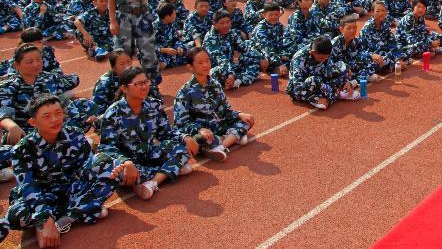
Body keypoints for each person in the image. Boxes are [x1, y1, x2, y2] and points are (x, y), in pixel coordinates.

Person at [4, 94, 122, 245]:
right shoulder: (22, 149)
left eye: (58, 113)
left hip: (71, 190)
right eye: (47, 116)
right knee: (16, 216)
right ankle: (84, 210)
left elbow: (88, 166)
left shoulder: (75, 135)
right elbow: (29, 188)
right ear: (33, 122)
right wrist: (44, 219)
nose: (55, 119)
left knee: (109, 167)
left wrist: (120, 164)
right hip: (43, 196)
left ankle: (66, 220)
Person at [98, 67, 197, 201]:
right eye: (138, 84)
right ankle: (169, 170)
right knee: (114, 171)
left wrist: (185, 137)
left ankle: (152, 182)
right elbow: (106, 149)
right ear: (124, 88)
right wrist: (126, 162)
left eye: (146, 82)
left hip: (150, 154)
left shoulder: (154, 105)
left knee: (183, 148)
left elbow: (166, 133)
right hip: (129, 162)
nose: (144, 87)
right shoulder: (113, 113)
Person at [173, 47, 254, 163]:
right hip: (204, 133)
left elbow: (225, 111)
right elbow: (180, 124)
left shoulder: (215, 84)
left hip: (219, 125)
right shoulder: (185, 92)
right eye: (200, 63)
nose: (205, 65)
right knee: (198, 140)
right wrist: (200, 129)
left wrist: (240, 114)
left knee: (248, 120)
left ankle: (221, 146)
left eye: (207, 60)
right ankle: (232, 137)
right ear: (190, 67)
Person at [286, 35, 354, 109]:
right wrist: (314, 98)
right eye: (321, 58)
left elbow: (331, 69)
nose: (324, 60)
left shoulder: (324, 51)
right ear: (313, 52)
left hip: (320, 81)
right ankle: (334, 95)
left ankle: (337, 92)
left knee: (342, 66)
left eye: (326, 57)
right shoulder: (299, 58)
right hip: (305, 87)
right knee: (313, 80)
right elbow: (297, 88)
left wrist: (346, 80)